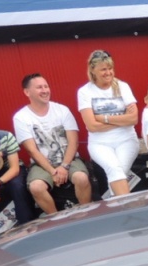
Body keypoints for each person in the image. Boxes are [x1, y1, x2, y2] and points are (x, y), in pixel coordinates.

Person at [13, 73, 92, 214]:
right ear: (27, 92)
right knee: (36, 187)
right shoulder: (21, 117)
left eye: (46, 86)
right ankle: (56, 219)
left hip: (69, 160)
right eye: (39, 87)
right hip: (41, 165)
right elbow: (32, 150)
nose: (45, 90)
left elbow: (73, 142)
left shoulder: (62, 110)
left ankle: (85, 214)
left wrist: (64, 166)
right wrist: (52, 171)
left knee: (81, 178)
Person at [77, 50, 139, 197]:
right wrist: (122, 119)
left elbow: (134, 119)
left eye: (110, 68)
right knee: (115, 170)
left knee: (117, 172)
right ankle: (129, 211)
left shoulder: (123, 86)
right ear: (93, 70)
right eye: (103, 69)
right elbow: (92, 126)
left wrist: (104, 118)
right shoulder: (85, 92)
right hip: (100, 144)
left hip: (127, 140)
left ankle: (121, 211)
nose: (108, 72)